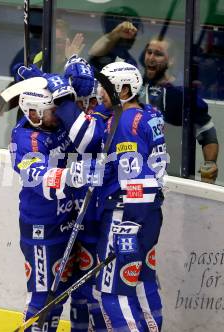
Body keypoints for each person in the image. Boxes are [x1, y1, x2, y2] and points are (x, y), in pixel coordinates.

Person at [11, 58, 110, 331]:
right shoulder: (26, 139)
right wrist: (73, 175)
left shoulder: (51, 121)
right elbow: (38, 178)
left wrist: (50, 80)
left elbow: (63, 95)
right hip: (43, 228)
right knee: (45, 299)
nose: (59, 115)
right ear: (33, 113)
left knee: (74, 291)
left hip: (71, 221)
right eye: (52, 111)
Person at [93, 62, 166, 331]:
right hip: (151, 213)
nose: (99, 91)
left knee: (114, 293)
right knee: (145, 284)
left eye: (105, 86)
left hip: (124, 214)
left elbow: (138, 177)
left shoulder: (124, 122)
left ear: (124, 89)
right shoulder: (149, 112)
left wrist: (129, 225)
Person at [141, 36, 219, 183]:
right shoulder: (134, 88)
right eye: (149, 52)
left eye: (158, 54)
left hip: (172, 180)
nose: (151, 57)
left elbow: (207, 133)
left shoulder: (183, 94)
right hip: (135, 176)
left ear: (171, 61)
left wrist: (209, 165)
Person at [88, 7, 142, 72]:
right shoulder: (100, 55)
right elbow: (94, 52)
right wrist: (115, 33)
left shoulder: (130, 62)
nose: (132, 35)